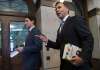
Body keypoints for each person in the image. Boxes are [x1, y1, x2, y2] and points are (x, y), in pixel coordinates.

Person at [37, 1, 94, 70]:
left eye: (59, 7)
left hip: (78, 65)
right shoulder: (59, 28)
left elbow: (88, 38)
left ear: (67, 9)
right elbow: (58, 45)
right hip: (65, 65)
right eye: (55, 9)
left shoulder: (75, 19)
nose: (57, 10)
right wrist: (47, 41)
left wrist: (83, 57)